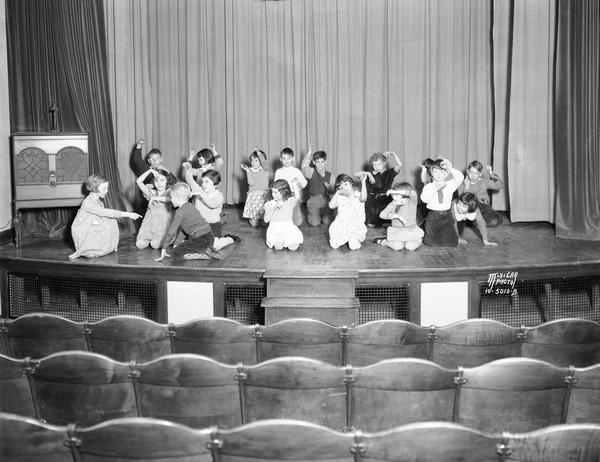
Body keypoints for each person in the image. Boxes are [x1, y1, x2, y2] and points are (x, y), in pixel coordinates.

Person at [69, 174, 141, 259]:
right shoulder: (88, 203)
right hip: (83, 229)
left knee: (111, 221)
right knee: (109, 220)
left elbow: (101, 214)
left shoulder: (98, 201)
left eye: (106, 188)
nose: (106, 191)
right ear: (94, 188)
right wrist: (127, 214)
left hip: (91, 223)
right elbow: (105, 212)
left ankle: (102, 248)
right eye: (103, 188)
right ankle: (85, 250)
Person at [156, 183, 224, 261]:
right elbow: (182, 229)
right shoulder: (190, 205)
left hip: (201, 241)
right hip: (209, 238)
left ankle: (203, 254)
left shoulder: (180, 212)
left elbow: (171, 233)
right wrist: (176, 244)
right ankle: (208, 249)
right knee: (184, 245)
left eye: (171, 198)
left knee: (174, 254)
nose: (171, 200)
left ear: (177, 197)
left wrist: (163, 249)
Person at [420, 157, 464, 247]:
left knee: (452, 243)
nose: (438, 174)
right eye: (435, 171)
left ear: (446, 173)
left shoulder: (450, 185)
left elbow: (460, 177)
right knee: (431, 243)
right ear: (431, 172)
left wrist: (449, 167)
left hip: (446, 216)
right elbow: (424, 199)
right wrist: (436, 188)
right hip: (433, 216)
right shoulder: (428, 187)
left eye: (441, 172)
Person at [354, 151, 402, 227]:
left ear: (384, 163)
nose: (376, 167)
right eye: (374, 164)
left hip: (385, 201)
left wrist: (393, 153)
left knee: (386, 225)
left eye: (379, 164)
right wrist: (369, 174)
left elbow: (399, 165)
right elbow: (355, 174)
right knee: (370, 225)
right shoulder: (370, 173)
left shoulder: (389, 173)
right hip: (371, 203)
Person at [373, 182, 423, 251]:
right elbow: (382, 215)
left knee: (410, 247)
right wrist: (395, 216)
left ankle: (418, 241)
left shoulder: (412, 202)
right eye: (393, 194)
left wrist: (395, 191)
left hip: (411, 230)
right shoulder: (392, 204)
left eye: (397, 194)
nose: (394, 196)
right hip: (397, 231)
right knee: (397, 247)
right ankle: (384, 242)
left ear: (405, 194)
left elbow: (413, 193)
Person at [184, 168, 231, 239]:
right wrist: (189, 169)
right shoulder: (199, 190)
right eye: (202, 181)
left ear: (215, 184)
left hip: (213, 225)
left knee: (213, 244)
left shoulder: (218, 196)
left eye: (207, 182)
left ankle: (229, 239)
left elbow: (213, 204)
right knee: (194, 240)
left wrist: (201, 194)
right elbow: (189, 180)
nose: (203, 184)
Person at [458, 160, 505, 227]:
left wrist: (491, 173)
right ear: (467, 171)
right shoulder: (463, 183)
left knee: (495, 221)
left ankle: (475, 221)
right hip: (469, 207)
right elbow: (462, 201)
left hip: (483, 207)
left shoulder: (484, 181)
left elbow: (500, 186)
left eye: (476, 173)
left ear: (480, 174)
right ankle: (472, 220)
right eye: (471, 172)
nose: (473, 176)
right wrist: (466, 188)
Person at [135, 169, 173, 250]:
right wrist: (150, 171)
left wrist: (157, 198)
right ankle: (148, 236)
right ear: (153, 182)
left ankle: (169, 238)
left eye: (162, 180)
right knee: (139, 244)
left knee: (155, 245)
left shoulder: (170, 192)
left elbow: (170, 199)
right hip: (149, 224)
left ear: (167, 181)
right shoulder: (150, 193)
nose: (159, 183)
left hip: (162, 226)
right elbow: (138, 181)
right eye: (156, 180)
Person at [328, 173, 368, 250]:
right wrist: (337, 192)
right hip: (342, 226)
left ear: (351, 183)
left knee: (353, 245)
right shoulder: (340, 197)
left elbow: (364, 198)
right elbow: (331, 206)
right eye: (341, 187)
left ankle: (353, 239)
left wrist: (363, 182)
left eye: (346, 184)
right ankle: (344, 238)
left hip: (355, 226)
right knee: (334, 245)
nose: (344, 188)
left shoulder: (357, 195)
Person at [264, 179, 303, 251]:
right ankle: (279, 241)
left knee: (293, 248)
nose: (273, 194)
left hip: (288, 228)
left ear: (283, 192)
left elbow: (297, 198)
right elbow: (266, 220)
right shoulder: (269, 204)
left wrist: (295, 185)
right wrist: (273, 208)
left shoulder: (289, 201)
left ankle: (290, 241)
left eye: (276, 192)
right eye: (272, 192)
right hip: (275, 229)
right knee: (278, 247)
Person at [274, 147, 307, 226]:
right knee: (282, 221)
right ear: (280, 159)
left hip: (293, 196)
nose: (286, 161)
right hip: (282, 196)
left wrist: (298, 184)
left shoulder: (296, 171)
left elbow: (304, 183)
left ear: (293, 158)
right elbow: (275, 186)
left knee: (297, 223)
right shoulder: (278, 172)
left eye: (289, 158)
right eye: (284, 158)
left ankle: (297, 214)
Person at [301, 145, 333, 227]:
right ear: (314, 163)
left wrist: (329, 188)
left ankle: (323, 215)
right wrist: (309, 154)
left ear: (325, 162)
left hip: (325, 200)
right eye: (318, 162)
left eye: (322, 162)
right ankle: (313, 215)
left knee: (328, 222)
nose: (320, 164)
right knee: (314, 223)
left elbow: (333, 191)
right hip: (313, 200)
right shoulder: (311, 172)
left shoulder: (330, 175)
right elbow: (304, 167)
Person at [241, 148, 269, 227]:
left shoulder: (265, 169)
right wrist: (248, 172)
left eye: (256, 160)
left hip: (263, 194)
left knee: (264, 224)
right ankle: (254, 218)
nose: (253, 163)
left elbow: (264, 162)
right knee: (254, 224)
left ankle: (263, 218)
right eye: (252, 160)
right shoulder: (250, 170)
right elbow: (251, 183)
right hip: (254, 196)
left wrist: (258, 152)